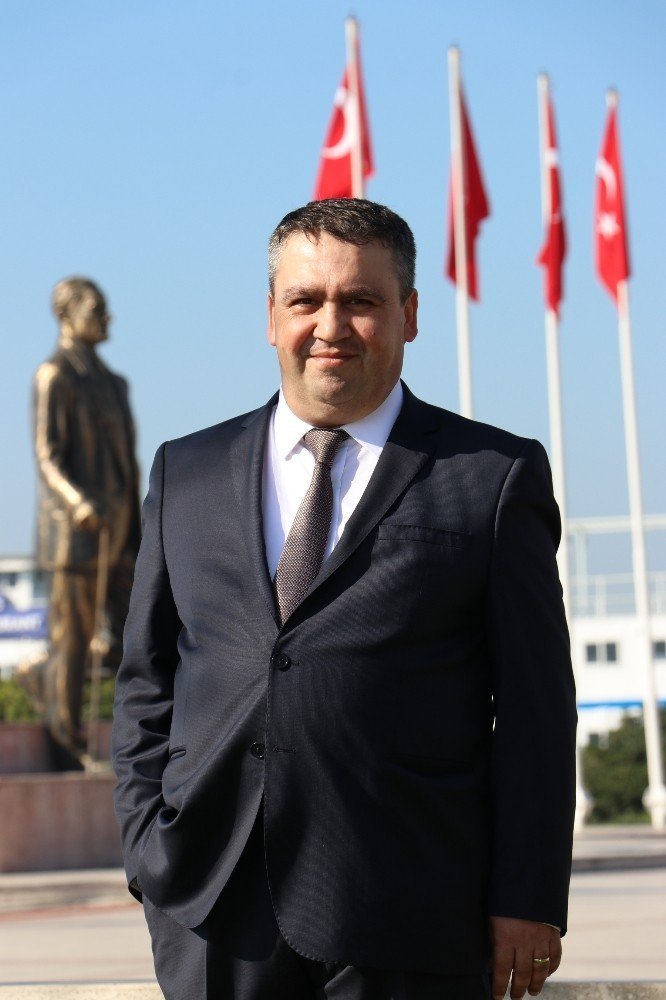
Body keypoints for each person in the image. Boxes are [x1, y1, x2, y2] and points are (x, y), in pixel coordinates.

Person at [112, 199, 576, 1000]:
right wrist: (147, 854)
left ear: (410, 315)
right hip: (214, 911)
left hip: (415, 910)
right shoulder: (184, 472)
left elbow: (536, 711)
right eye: (306, 300)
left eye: (361, 300)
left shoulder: (491, 478)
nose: (331, 325)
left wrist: (527, 896)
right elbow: (146, 682)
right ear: (271, 317)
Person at [20, 277, 141, 766]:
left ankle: (42, 674)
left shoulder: (114, 383)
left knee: (139, 632)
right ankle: (66, 745)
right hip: (75, 533)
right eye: (96, 308)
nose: (106, 317)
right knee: (72, 640)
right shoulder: (54, 375)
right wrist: (77, 503)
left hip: (122, 529)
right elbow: (47, 455)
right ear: (66, 315)